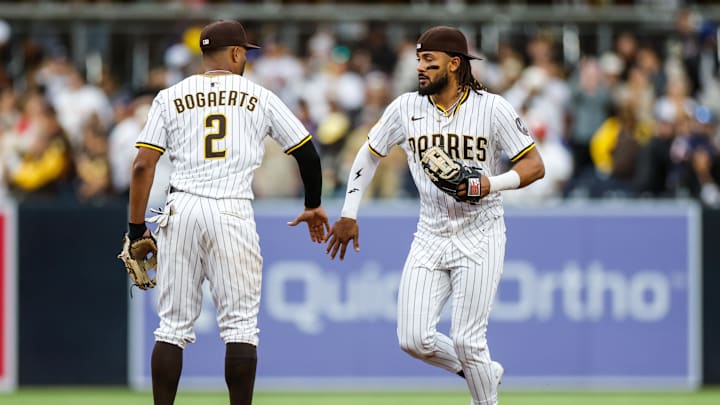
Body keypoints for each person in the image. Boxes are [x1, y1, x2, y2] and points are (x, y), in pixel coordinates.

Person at [325, 26, 545, 405]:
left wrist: (488, 184)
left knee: (467, 339)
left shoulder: (492, 108)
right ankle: (483, 372)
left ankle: (484, 396)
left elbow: (535, 165)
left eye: (430, 60)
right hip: (430, 231)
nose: (421, 67)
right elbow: (368, 154)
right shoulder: (405, 108)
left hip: (481, 230)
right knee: (413, 338)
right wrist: (349, 212)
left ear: (455, 64)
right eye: (419, 60)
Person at [126, 20, 329, 405]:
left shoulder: (170, 96)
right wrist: (312, 204)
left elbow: (141, 166)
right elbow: (306, 151)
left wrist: (137, 229)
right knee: (240, 328)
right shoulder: (260, 96)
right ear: (236, 53)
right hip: (232, 209)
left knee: (170, 328)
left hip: (181, 207)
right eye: (245, 52)